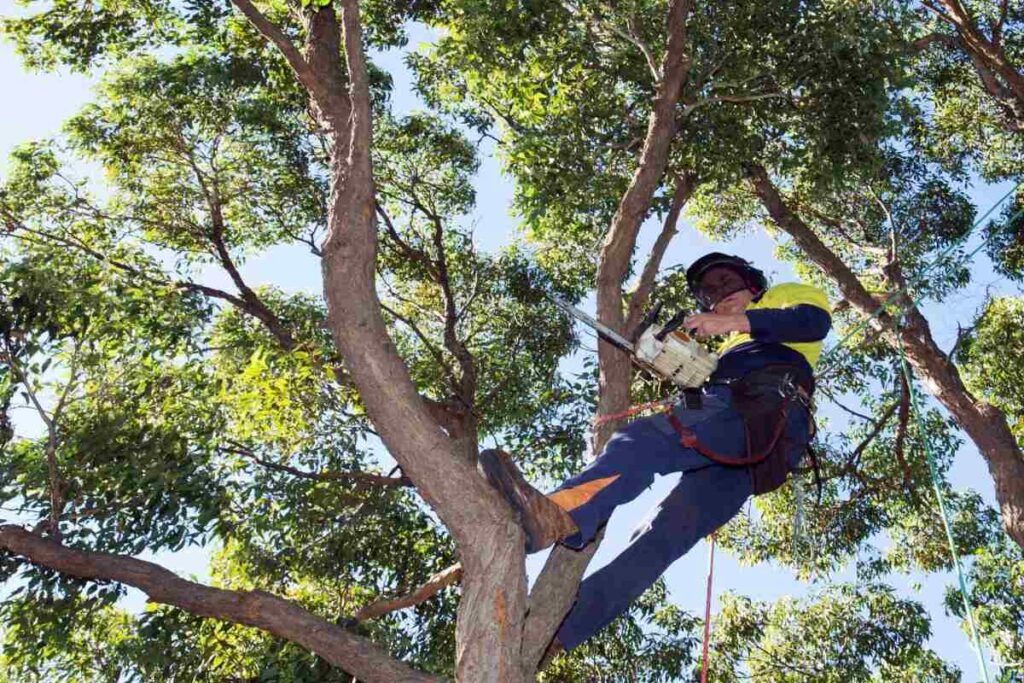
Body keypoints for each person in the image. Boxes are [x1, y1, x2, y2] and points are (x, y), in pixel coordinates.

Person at [479, 252, 832, 654]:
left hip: (760, 412)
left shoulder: (783, 298)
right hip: (753, 450)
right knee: (661, 537)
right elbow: (704, 392)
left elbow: (813, 322)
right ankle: (558, 635)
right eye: (708, 294)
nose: (718, 295)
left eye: (725, 281)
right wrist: (675, 366)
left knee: (643, 441)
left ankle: (560, 514)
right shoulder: (729, 349)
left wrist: (732, 322)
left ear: (751, 283)